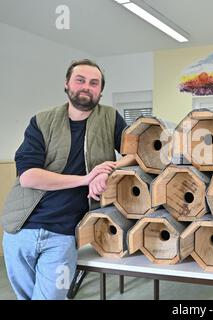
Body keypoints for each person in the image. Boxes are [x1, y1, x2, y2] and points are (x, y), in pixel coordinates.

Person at [1, 59, 136, 300]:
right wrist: (86, 179)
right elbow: (29, 177)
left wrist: (107, 169)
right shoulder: (42, 121)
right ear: (67, 84)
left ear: (101, 90)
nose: (86, 86)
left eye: (94, 83)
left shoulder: (110, 118)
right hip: (19, 231)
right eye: (80, 80)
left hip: (63, 234)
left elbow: (135, 153)